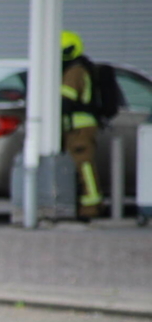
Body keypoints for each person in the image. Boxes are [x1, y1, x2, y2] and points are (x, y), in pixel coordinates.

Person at [61, 30, 104, 220]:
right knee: (81, 165)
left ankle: (91, 206)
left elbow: (66, 99)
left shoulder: (75, 70)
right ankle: (87, 203)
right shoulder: (78, 67)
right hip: (77, 125)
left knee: (83, 165)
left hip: (79, 127)